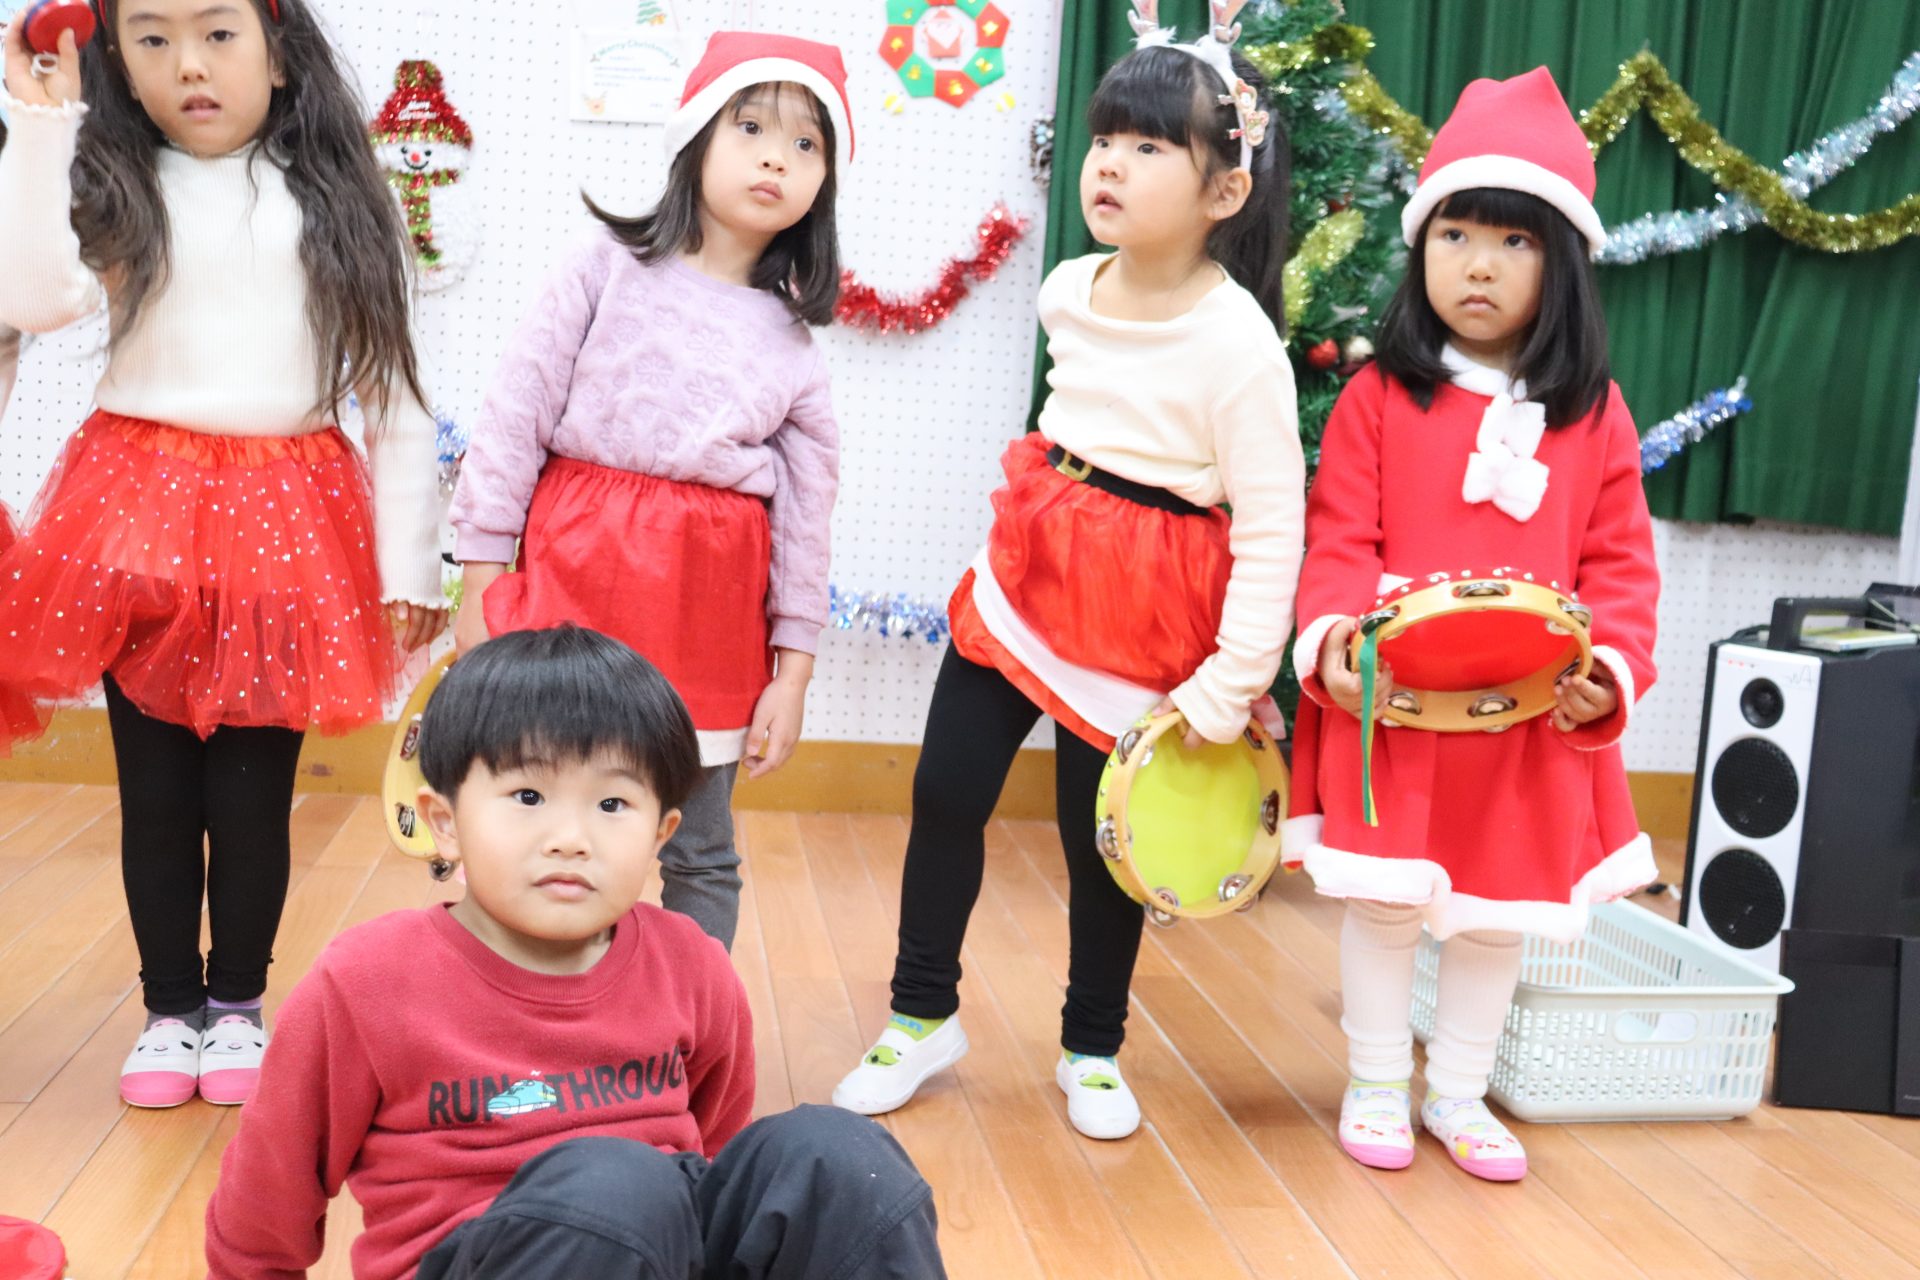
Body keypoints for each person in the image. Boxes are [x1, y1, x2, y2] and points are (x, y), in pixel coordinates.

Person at [833, 0, 1304, 1141]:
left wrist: (1232, 680)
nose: (1110, 165)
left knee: (1104, 844)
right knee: (946, 789)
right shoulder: (1068, 290)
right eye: (1104, 140)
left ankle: (1092, 1044)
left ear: (1224, 192)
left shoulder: (1241, 344)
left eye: (1149, 147)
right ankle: (919, 1012)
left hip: (1147, 606)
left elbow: (1272, 526)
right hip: (1030, 569)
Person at [0, 0, 446, 1108]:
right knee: (155, 797)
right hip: (135, 520)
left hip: (286, 527)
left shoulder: (333, 200)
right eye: (151, 39)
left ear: (280, 53)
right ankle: (169, 1012)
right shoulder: (120, 186)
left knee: (251, 800)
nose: (187, 64)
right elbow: (32, 299)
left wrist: (411, 564)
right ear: (118, 61)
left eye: (217, 33)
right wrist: (42, 125)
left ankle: (237, 1003)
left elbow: (393, 395)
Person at [203, 626, 947, 1280]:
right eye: (528, 796)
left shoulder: (692, 966)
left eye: (612, 804)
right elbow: (266, 1198)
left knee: (838, 1157)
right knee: (616, 1187)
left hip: (657, 1245)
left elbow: (717, 1154)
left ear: (661, 834)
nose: (571, 838)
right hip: (488, 1257)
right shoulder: (367, 982)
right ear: (445, 822)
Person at [1287, 67, 1660, 1181]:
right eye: (1455, 234)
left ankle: (1457, 1089)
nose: (1479, 263)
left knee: (1498, 916)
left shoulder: (1597, 415)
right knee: (1386, 904)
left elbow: (1622, 565)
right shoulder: (1378, 397)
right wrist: (1336, 643)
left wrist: (1610, 673)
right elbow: (1340, 538)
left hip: (1527, 721)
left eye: (1513, 239)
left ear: (1564, 262)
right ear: (1422, 248)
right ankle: (1373, 1079)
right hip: (1398, 710)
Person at [450, 30, 849, 954]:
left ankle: (686, 1028)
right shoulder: (602, 266)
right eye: (751, 127)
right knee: (536, 810)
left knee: (700, 849)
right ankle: (524, 1003)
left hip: (706, 617)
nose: (775, 158)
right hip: (575, 584)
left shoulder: (794, 346)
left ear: (824, 183)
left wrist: (792, 672)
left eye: (806, 144)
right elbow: (514, 415)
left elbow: (807, 520)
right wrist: (480, 582)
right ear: (696, 135)